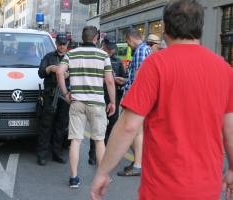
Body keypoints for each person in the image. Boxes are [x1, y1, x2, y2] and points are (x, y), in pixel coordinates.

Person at [90, 0, 233, 199]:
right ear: (200, 27)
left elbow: (128, 126)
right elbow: (229, 128)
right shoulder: (224, 69)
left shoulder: (155, 65)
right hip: (207, 188)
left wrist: (103, 172)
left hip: (163, 188)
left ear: (165, 28)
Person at [56, 26, 116, 188]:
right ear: (96, 38)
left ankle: (74, 178)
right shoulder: (103, 55)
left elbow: (59, 72)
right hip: (97, 103)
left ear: (83, 37)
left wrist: (65, 93)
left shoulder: (71, 53)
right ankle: (103, 177)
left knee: (75, 140)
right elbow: (110, 81)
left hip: (77, 102)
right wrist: (113, 102)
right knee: (99, 140)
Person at [117, 28, 152, 176]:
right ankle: (139, 161)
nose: (128, 45)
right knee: (137, 132)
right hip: (141, 97)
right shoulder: (146, 50)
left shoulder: (139, 51)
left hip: (135, 98)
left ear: (131, 39)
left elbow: (138, 79)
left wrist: (127, 97)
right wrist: (125, 81)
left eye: (127, 41)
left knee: (131, 131)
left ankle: (138, 164)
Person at [88, 35, 126, 165]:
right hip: (98, 98)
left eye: (112, 49)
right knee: (97, 127)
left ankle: (105, 153)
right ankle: (92, 155)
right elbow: (90, 78)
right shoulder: (95, 58)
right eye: (108, 48)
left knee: (111, 127)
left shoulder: (117, 61)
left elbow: (124, 78)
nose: (111, 51)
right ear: (103, 45)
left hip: (113, 99)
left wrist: (122, 81)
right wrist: (108, 80)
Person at [36, 33, 70, 166]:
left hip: (64, 95)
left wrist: (67, 74)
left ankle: (57, 153)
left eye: (64, 44)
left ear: (67, 44)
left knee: (61, 126)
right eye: (60, 44)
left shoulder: (70, 58)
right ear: (56, 44)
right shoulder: (49, 57)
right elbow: (40, 73)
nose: (62, 47)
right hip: (50, 96)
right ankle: (42, 155)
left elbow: (77, 75)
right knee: (46, 126)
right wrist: (49, 69)